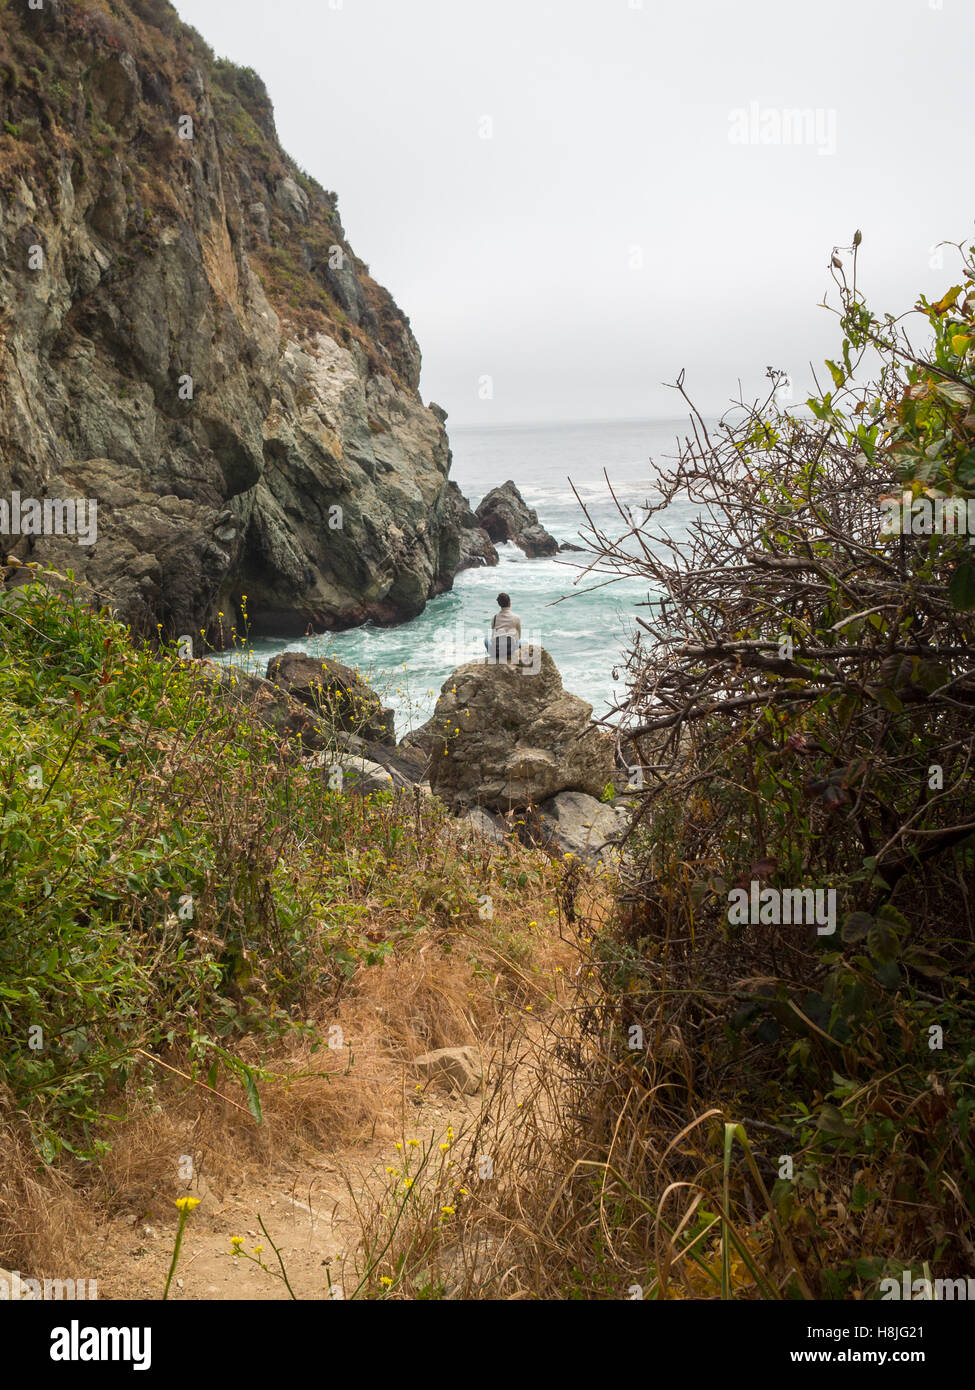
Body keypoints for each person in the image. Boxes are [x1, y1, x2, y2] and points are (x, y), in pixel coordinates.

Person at [485, 592, 521, 663]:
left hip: (496, 651)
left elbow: (493, 634)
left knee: (485, 640)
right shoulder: (516, 618)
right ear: (509, 603)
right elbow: (519, 636)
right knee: (523, 641)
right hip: (510, 650)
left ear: (499, 604)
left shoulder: (494, 618)